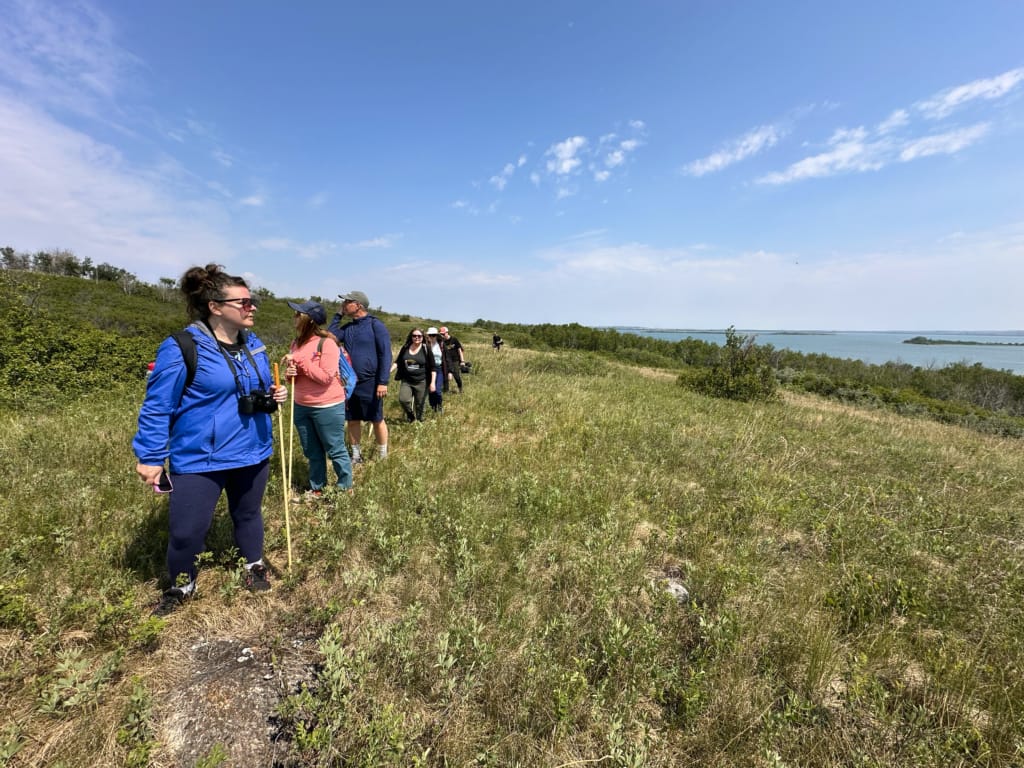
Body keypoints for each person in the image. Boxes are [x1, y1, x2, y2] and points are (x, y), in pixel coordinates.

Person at [134, 264, 287, 616]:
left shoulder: (255, 345)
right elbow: (158, 407)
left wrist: (271, 394)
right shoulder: (182, 347)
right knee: (187, 531)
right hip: (201, 456)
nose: (252, 307)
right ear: (215, 307)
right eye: (244, 302)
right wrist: (151, 455)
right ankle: (181, 584)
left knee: (248, 514)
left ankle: (253, 565)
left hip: (253, 450)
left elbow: (254, 388)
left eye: (253, 301)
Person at [284, 300, 353, 498]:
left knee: (335, 448)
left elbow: (325, 378)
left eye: (298, 314)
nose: (295, 317)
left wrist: (300, 361)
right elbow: (293, 378)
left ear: (309, 319)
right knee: (312, 451)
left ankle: (344, 489)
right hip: (301, 404)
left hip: (327, 405)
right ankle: (317, 488)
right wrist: (291, 372)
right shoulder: (296, 343)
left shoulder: (327, 344)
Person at [328, 290, 392, 462]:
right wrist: (338, 315)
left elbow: (385, 354)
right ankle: (356, 456)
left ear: (358, 305)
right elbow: (330, 336)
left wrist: (382, 381)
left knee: (376, 419)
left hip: (371, 382)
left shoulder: (375, 325)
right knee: (353, 419)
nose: (343, 304)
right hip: (350, 382)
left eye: (347, 302)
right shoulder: (348, 327)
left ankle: (383, 455)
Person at [394, 328, 436, 422]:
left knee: (420, 404)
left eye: (419, 336)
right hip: (407, 380)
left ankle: (420, 421)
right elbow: (398, 362)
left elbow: (433, 368)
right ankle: (410, 415)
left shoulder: (426, 349)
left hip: (421, 381)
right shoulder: (405, 347)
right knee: (403, 400)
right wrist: (388, 371)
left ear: (422, 337)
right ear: (411, 337)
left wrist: (432, 383)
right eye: (414, 336)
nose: (416, 338)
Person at [425, 327, 447, 414]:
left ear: (436, 336)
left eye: (433, 335)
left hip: (439, 369)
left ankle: (439, 406)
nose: (432, 337)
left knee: (437, 389)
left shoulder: (441, 345)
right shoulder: (426, 346)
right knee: (431, 390)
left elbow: (447, 358)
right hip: (428, 370)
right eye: (430, 335)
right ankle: (433, 407)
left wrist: (450, 372)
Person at [439, 326, 465, 394]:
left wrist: (462, 361)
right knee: (446, 376)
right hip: (446, 361)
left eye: (443, 334)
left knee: (456, 376)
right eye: (441, 334)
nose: (442, 335)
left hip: (455, 360)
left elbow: (460, 350)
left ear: (447, 333)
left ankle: (460, 388)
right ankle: (446, 390)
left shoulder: (454, 339)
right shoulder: (441, 342)